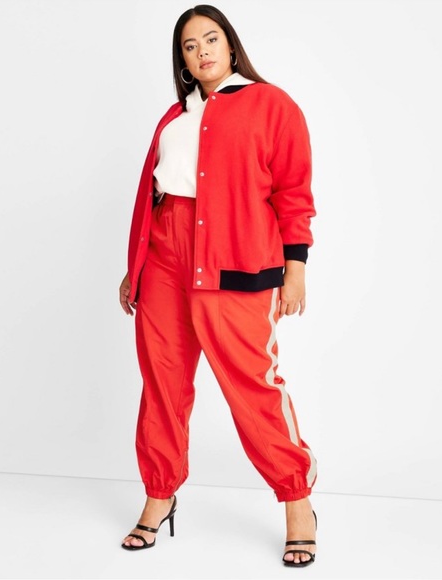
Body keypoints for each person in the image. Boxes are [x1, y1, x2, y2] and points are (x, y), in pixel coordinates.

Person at [118, 4, 318, 567]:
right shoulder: (174, 116)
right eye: (189, 45)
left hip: (235, 264)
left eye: (211, 39)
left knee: (253, 387)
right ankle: (160, 494)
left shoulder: (271, 104)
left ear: (231, 45)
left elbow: (293, 192)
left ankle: (297, 501)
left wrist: (296, 267)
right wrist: (136, 265)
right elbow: (155, 194)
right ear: (182, 61)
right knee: (162, 383)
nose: (202, 50)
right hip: (164, 259)